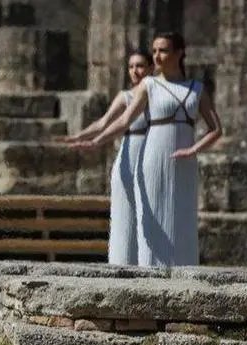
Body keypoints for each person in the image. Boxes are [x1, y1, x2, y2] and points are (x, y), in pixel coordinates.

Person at [72, 32, 223, 266]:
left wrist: (194, 150)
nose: (157, 56)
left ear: (179, 53)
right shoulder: (149, 85)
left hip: (184, 163)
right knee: (152, 223)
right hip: (153, 158)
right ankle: (149, 275)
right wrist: (97, 141)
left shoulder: (196, 89)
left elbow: (216, 129)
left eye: (163, 50)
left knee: (182, 219)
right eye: (154, 51)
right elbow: (124, 121)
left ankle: (184, 276)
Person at [57, 49, 154, 265]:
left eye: (140, 66)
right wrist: (79, 137)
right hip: (130, 154)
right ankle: (123, 261)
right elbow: (103, 123)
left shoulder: (158, 95)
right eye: (131, 67)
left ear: (151, 68)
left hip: (153, 155)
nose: (135, 71)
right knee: (126, 212)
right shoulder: (126, 96)